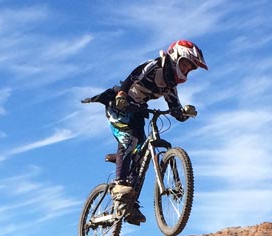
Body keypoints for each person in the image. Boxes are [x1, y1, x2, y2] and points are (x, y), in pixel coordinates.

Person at [83, 40, 207, 224]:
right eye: (185, 63)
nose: (187, 69)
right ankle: (120, 186)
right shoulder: (154, 66)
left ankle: (130, 203)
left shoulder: (170, 86)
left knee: (140, 153)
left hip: (138, 111)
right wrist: (121, 95)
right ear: (175, 57)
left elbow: (175, 111)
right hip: (119, 107)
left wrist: (185, 113)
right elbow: (131, 77)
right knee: (128, 140)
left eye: (190, 68)